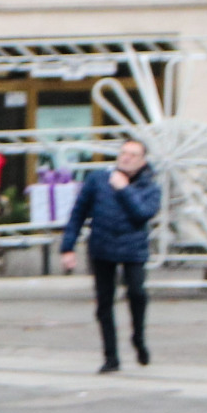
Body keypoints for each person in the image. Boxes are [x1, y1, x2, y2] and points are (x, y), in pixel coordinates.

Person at [59, 138, 160, 372]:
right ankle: (111, 356)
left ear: (143, 161)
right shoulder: (98, 179)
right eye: (124, 152)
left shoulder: (150, 186)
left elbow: (142, 214)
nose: (126, 157)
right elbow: (78, 213)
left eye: (133, 155)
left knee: (137, 293)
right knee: (104, 302)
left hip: (133, 248)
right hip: (102, 247)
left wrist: (124, 189)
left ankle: (138, 337)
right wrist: (68, 247)